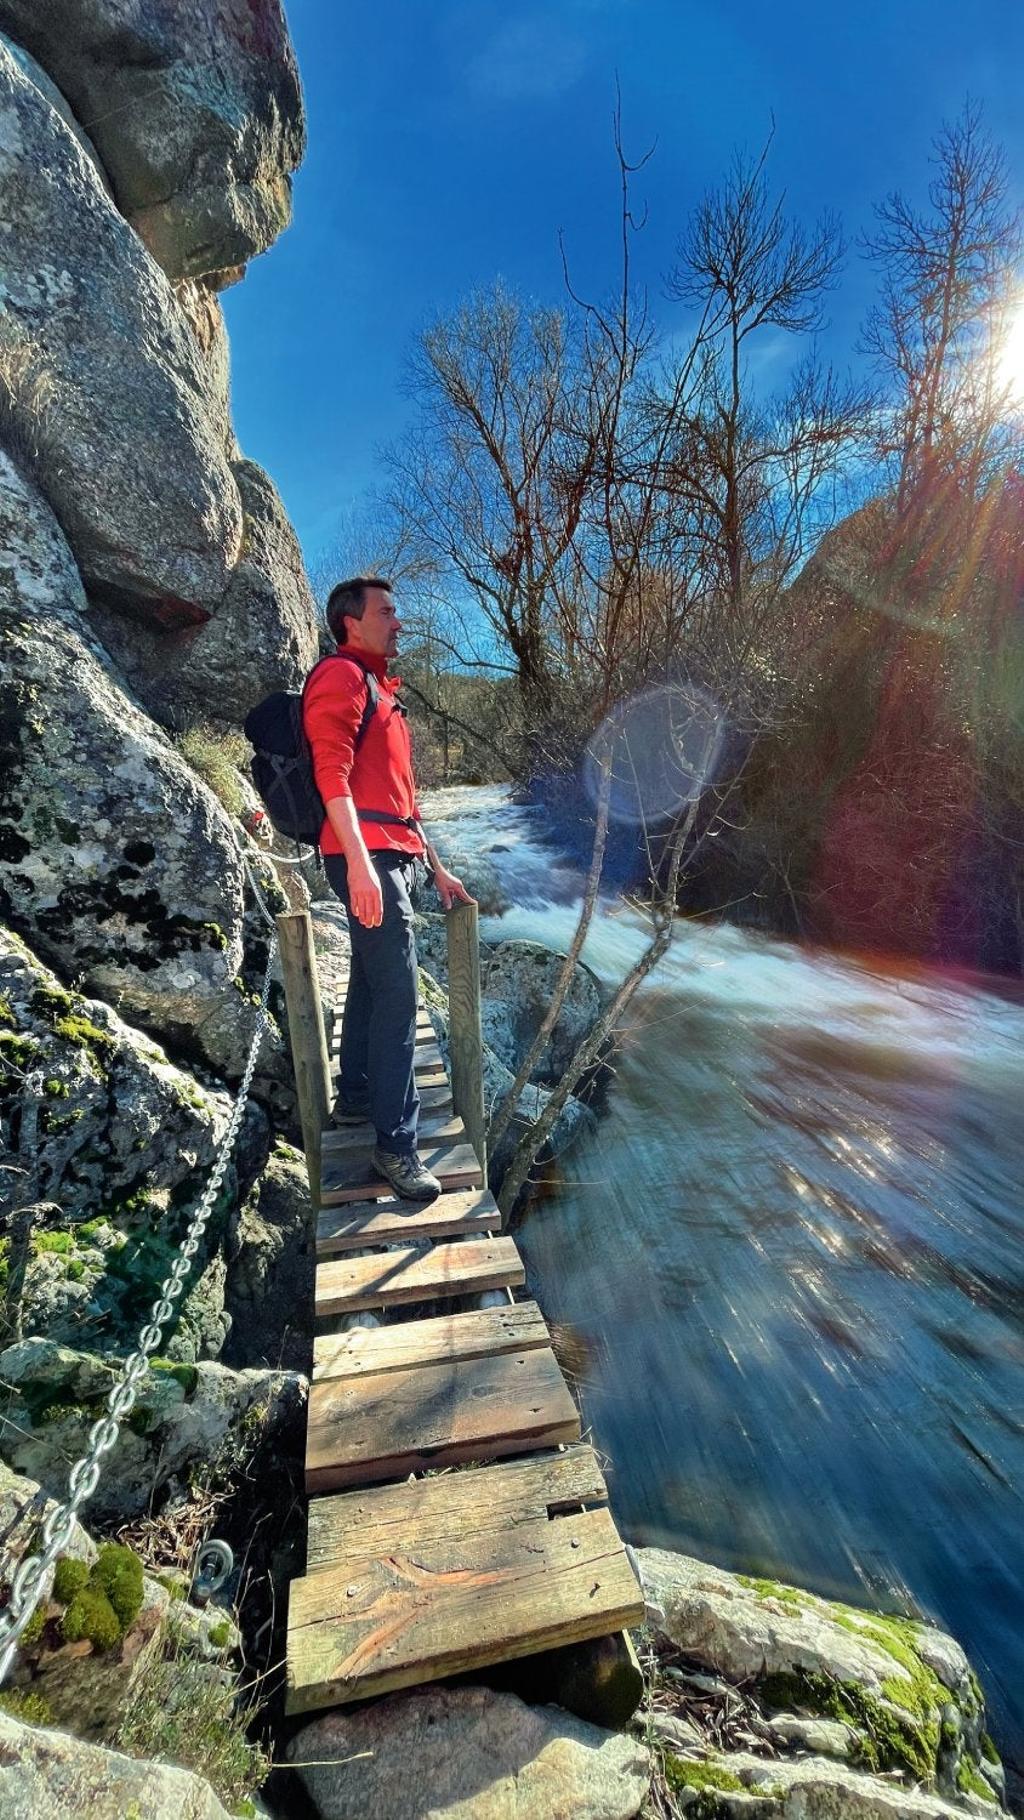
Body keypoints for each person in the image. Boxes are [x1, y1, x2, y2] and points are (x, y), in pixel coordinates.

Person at [303, 576, 472, 1201]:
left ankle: (355, 1097)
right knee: (400, 995)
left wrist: (438, 867)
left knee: (373, 981)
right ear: (352, 622)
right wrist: (359, 863)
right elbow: (332, 773)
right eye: (388, 612)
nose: (399, 622)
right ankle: (396, 1147)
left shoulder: (382, 692)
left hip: (391, 853)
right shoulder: (340, 677)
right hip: (366, 856)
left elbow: (404, 805)